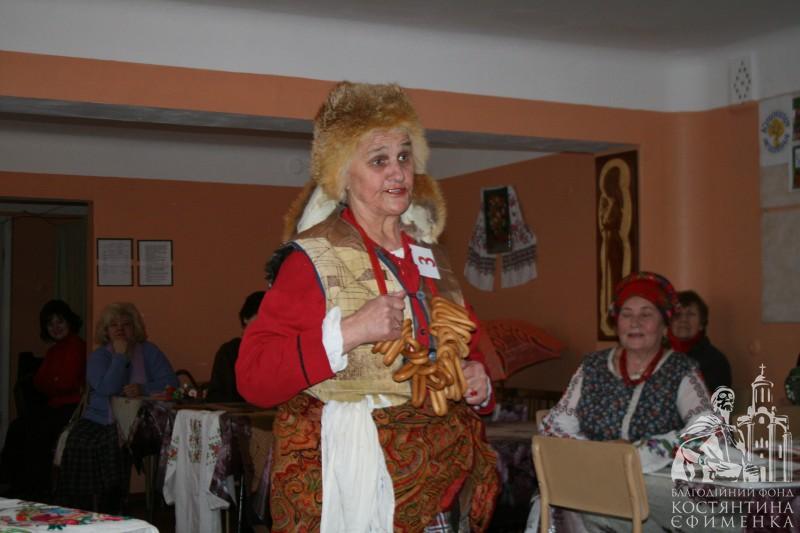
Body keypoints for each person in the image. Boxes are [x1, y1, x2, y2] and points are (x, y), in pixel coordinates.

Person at [236, 82, 499, 532]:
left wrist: (479, 382)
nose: (398, 172)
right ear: (343, 174)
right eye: (379, 160)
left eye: (404, 156)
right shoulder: (313, 259)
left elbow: (473, 352)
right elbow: (254, 378)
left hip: (440, 488)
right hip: (353, 486)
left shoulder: (433, 260)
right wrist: (351, 330)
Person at [534, 272, 712, 531]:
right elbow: (554, 426)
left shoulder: (681, 369)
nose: (634, 323)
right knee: (589, 501)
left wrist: (638, 453)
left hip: (656, 481)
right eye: (626, 314)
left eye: (646, 314)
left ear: (664, 325)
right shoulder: (592, 366)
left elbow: (706, 429)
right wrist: (602, 456)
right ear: (616, 323)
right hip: (596, 478)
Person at [54, 302, 178, 513]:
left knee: (117, 440)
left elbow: (171, 383)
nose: (120, 329)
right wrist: (119, 356)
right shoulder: (99, 356)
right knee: (83, 441)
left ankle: (112, 503)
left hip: (141, 421)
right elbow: (106, 389)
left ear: (135, 328)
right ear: (106, 331)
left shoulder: (149, 351)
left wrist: (143, 388)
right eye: (114, 325)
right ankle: (84, 505)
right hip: (99, 419)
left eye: (126, 324)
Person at [0, 300, 86, 501]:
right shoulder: (53, 351)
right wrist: (54, 381)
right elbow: (39, 382)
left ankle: (34, 490)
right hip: (55, 406)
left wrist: (53, 382)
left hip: (71, 408)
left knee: (36, 431)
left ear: (69, 322)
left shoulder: (76, 346)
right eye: (50, 323)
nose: (55, 327)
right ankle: (12, 483)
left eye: (60, 321)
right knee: (17, 427)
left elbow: (65, 383)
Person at [206, 290, 265, 402]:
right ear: (246, 319)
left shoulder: (279, 351)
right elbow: (215, 397)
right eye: (260, 318)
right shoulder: (229, 352)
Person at [669, 289, 732, 393]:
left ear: (701, 324)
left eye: (690, 314)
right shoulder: (660, 355)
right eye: (678, 314)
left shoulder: (716, 361)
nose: (683, 319)